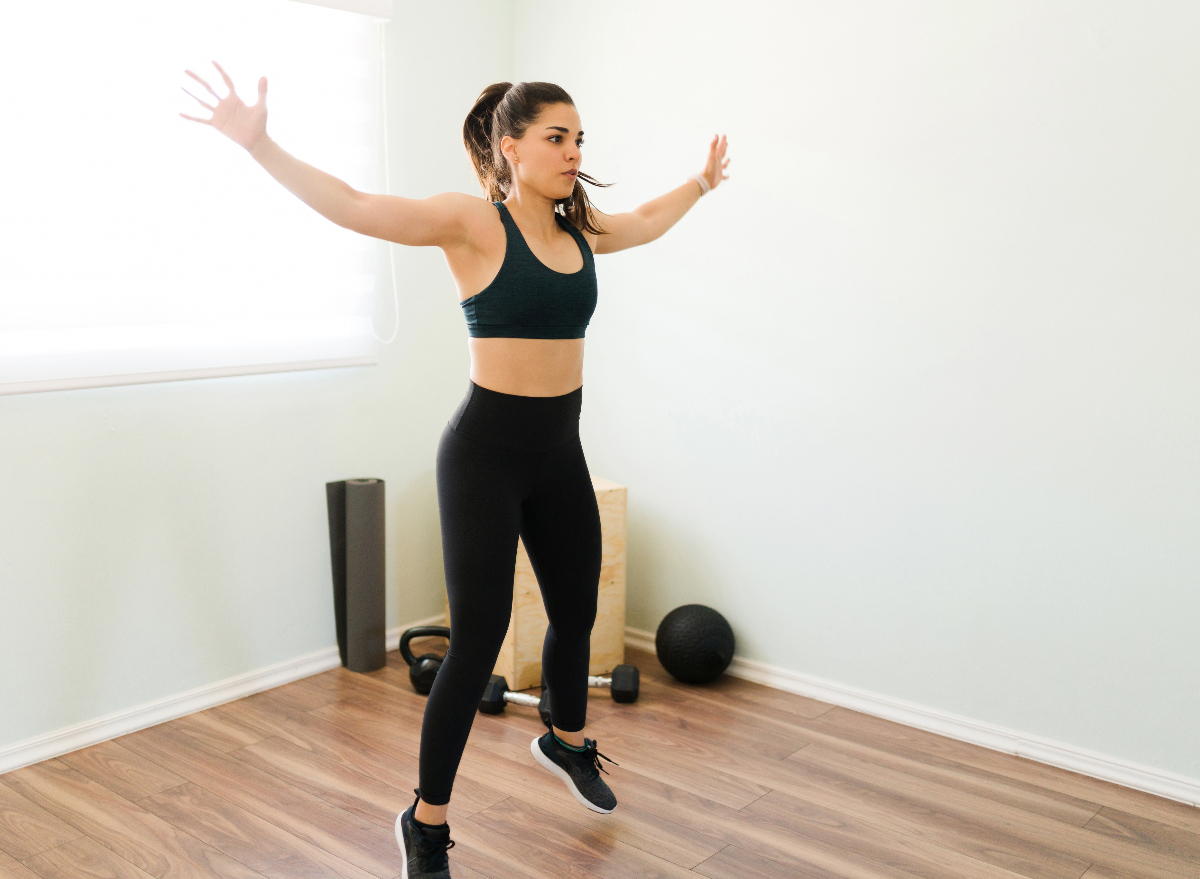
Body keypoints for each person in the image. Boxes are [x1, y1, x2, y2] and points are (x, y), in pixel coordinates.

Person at [180, 64, 729, 879]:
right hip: (483, 456)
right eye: (556, 137)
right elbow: (360, 208)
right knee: (477, 640)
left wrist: (700, 183)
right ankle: (425, 819)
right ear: (510, 147)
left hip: (558, 452)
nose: (574, 151)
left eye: (580, 138)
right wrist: (262, 145)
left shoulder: (581, 230)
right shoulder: (472, 225)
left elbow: (646, 219)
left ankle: (565, 738)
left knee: (575, 606)